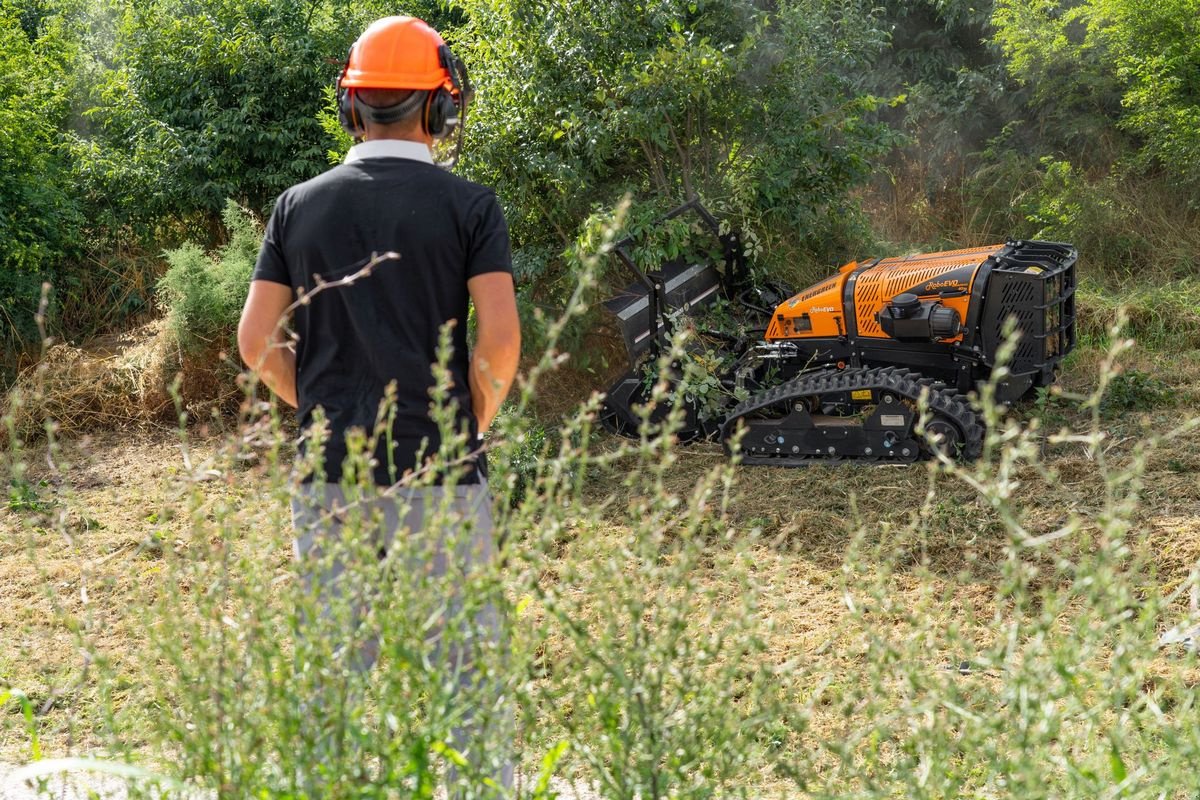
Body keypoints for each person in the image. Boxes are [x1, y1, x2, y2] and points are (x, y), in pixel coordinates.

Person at [236, 15, 520, 796]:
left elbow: (256, 339)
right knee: (464, 669)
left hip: (329, 473)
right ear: (440, 108)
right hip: (441, 470)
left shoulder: (297, 206)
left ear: (351, 106)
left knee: (334, 667)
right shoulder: (470, 206)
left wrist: (317, 407)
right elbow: (499, 344)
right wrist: (469, 423)